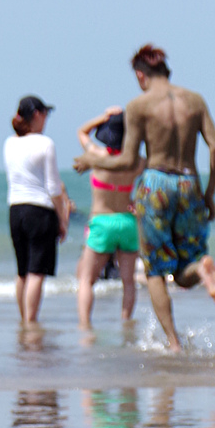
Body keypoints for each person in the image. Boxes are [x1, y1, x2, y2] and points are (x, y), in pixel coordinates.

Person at [73, 45, 215, 352]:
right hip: (188, 182)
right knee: (187, 268)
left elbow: (128, 160)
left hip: (155, 184)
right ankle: (202, 268)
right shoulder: (195, 100)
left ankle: (173, 343)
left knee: (155, 270)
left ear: (141, 75)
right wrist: (208, 193)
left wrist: (93, 162)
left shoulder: (139, 105)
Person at [75, 107, 145, 329]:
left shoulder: (96, 156)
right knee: (128, 281)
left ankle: (85, 326)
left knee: (87, 280)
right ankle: (126, 324)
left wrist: (103, 117)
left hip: (101, 221)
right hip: (127, 221)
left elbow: (81, 132)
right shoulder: (135, 162)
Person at [4, 96, 70, 324]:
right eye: (45, 114)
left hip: (15, 210)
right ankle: (31, 321)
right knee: (36, 271)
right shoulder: (45, 143)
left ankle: (24, 319)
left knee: (22, 271)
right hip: (40, 210)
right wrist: (63, 218)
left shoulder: (9, 143)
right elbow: (53, 187)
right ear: (37, 115)